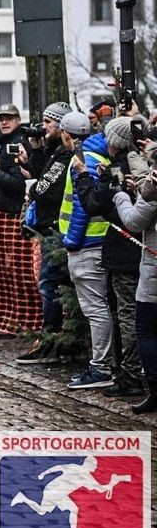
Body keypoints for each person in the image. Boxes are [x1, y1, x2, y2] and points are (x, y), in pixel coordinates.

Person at [72, 116, 145, 398]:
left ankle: (130, 375)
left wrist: (83, 175)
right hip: (128, 253)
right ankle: (127, 370)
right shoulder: (128, 166)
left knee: (129, 314)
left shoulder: (124, 170)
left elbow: (93, 205)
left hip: (126, 253)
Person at [57, 112, 116, 390]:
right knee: (100, 308)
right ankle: (105, 364)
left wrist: (71, 239)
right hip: (94, 242)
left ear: (65, 134)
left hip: (87, 245)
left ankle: (101, 367)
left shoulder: (83, 159)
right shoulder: (95, 155)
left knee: (96, 309)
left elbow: (82, 205)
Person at [18, 103, 76, 363]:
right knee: (52, 285)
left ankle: (51, 341)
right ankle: (56, 339)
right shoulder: (55, 150)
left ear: (63, 125)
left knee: (50, 285)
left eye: (48, 122)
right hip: (52, 229)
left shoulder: (66, 155)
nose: (44, 127)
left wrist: (33, 189)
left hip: (55, 231)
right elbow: (40, 175)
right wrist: (38, 149)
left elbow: (42, 188)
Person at [113, 163, 157, 413]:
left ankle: (155, 392)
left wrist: (120, 196)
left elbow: (134, 220)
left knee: (147, 330)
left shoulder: (154, 188)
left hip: (154, 272)